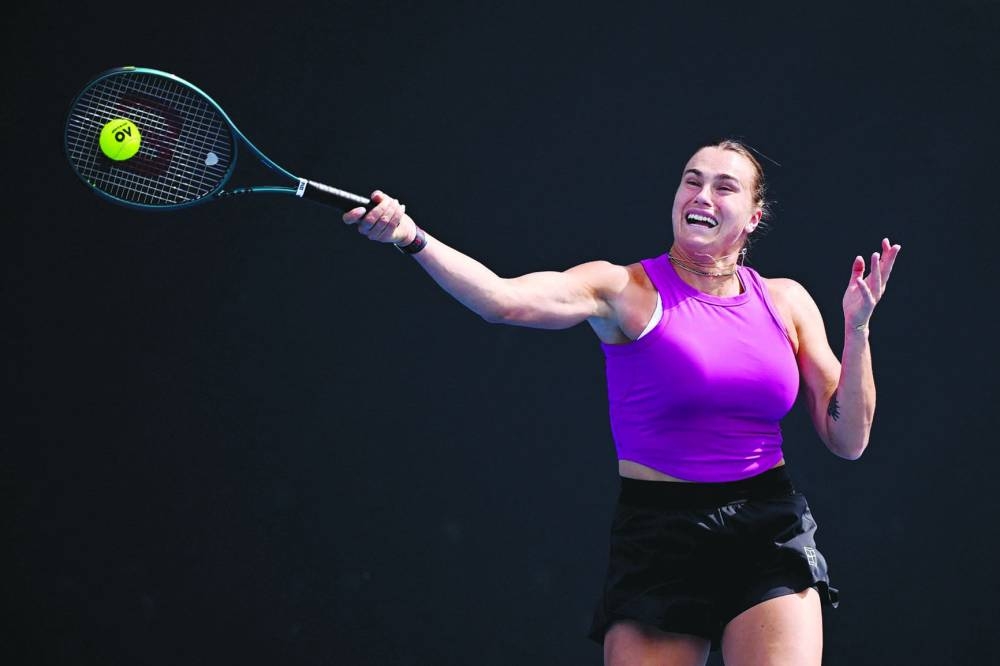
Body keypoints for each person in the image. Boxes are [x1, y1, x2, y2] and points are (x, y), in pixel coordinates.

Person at [342, 139, 901, 665]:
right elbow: (502, 300)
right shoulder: (623, 290)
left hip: (767, 527)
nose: (702, 196)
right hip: (660, 538)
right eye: (691, 181)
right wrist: (411, 236)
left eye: (724, 187)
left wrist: (858, 331)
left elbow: (848, 439)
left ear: (754, 217)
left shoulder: (786, 301)